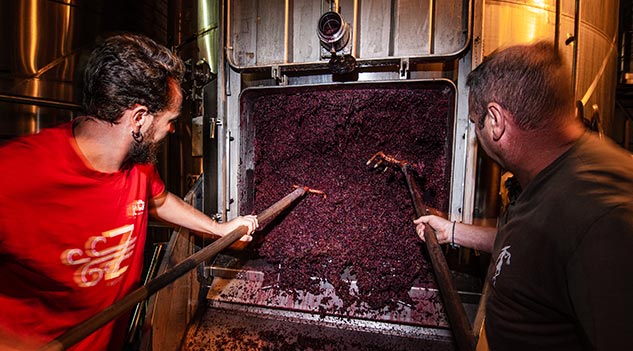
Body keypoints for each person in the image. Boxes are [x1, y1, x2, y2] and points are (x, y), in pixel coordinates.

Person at [0, 33, 258, 350]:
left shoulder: (137, 164)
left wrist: (218, 230)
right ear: (138, 119)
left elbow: (158, 200)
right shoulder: (16, 173)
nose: (171, 130)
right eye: (170, 119)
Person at [414, 41, 633, 350]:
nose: (477, 134)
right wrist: (452, 231)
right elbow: (526, 245)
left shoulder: (600, 211)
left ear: (495, 121)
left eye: (476, 123)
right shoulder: (550, 177)